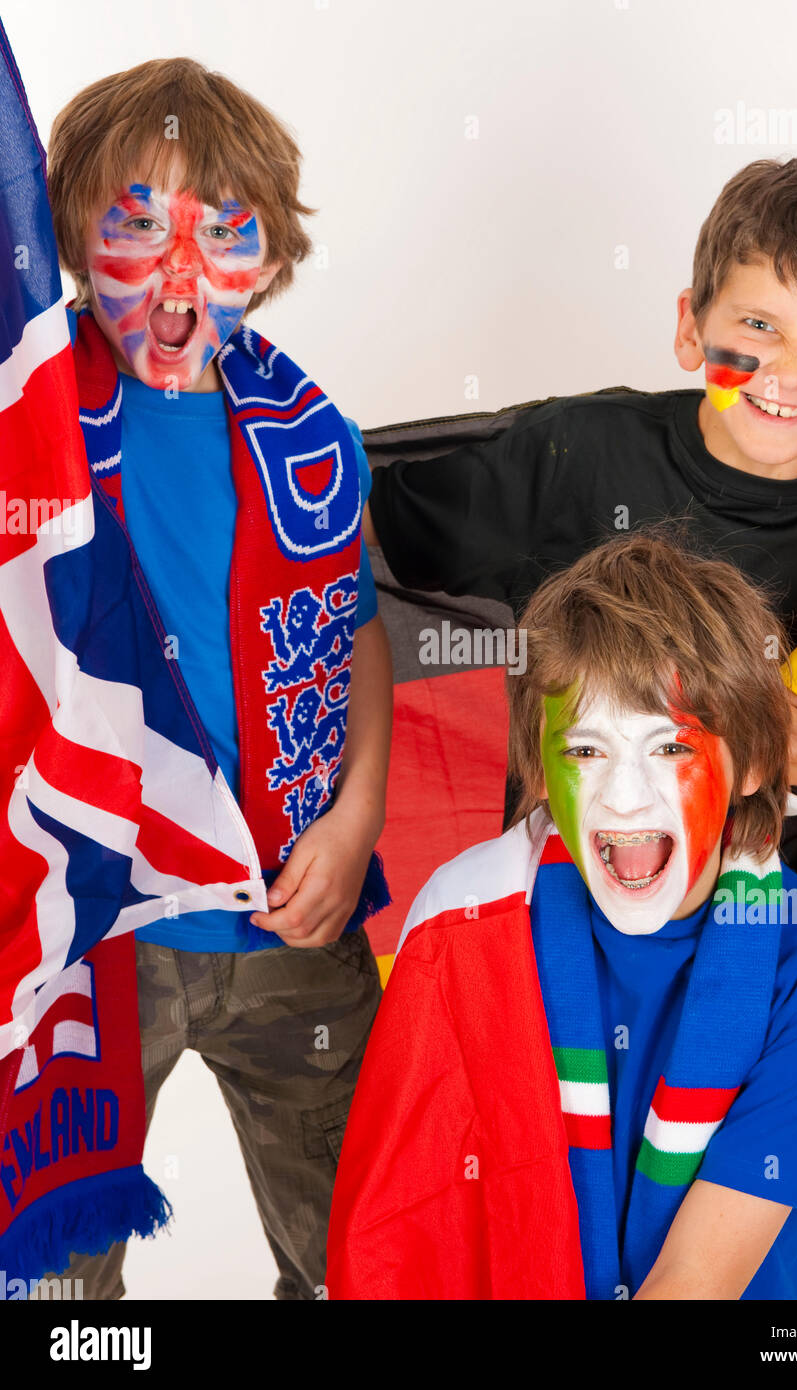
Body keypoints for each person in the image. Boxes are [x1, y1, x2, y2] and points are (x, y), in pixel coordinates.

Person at [361, 149, 797, 1295]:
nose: (785, 372)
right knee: (549, 1229)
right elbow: (354, 530)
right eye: (753, 327)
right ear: (688, 326)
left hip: (767, 947)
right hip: (559, 927)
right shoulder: (574, 455)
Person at [326, 534, 797, 1300]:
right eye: (586, 751)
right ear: (536, 766)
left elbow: (694, 1282)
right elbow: (400, 1235)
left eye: (668, 748)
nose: (623, 799)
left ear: (753, 763)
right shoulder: (464, 920)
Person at [44, 57, 392, 1299]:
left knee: (358, 1245)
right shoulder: (27, 422)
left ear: (271, 252)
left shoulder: (311, 434)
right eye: (136, 222)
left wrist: (355, 821)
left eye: (221, 228)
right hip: (87, 941)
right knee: (52, 1272)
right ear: (72, 239)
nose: (179, 267)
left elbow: (351, 635)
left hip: (287, 919)